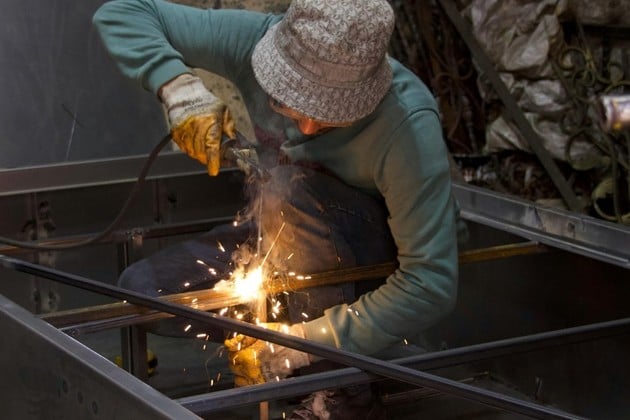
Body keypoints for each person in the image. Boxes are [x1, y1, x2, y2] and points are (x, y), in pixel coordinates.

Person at [93, 0, 460, 417]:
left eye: (331, 117)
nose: (306, 128)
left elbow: (430, 283)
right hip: (284, 233)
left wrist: (300, 345)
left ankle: (337, 397)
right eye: (290, 103)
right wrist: (178, 87)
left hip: (371, 264)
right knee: (144, 291)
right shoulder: (251, 40)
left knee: (292, 189)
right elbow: (123, 12)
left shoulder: (407, 123)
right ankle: (286, 340)